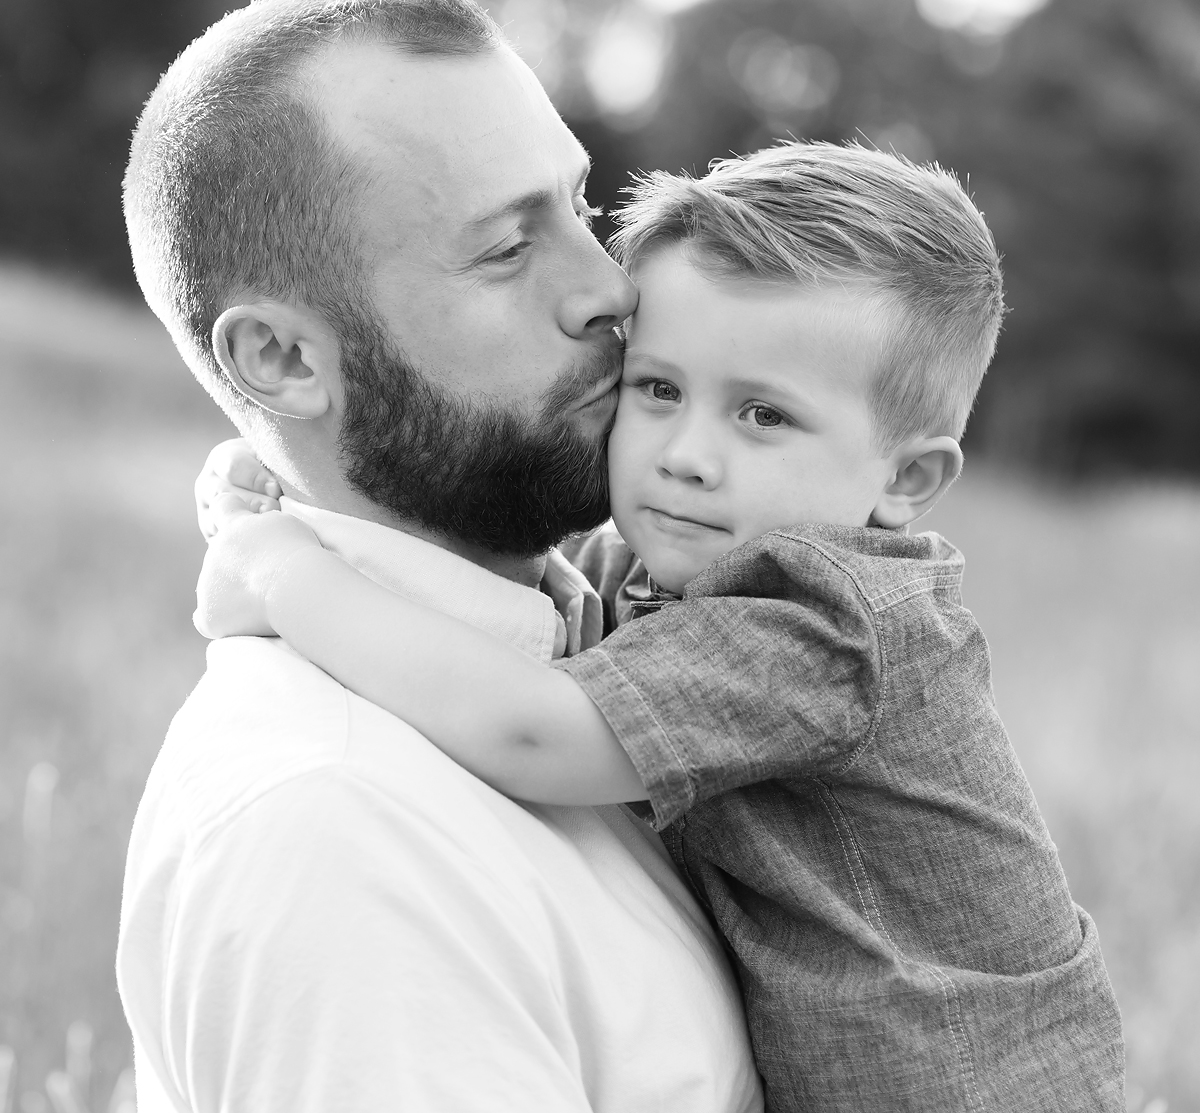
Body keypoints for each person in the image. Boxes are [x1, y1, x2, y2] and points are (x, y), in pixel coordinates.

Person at [196, 143, 1127, 1111]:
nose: (686, 455)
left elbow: (532, 730)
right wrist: (313, 515)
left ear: (906, 482)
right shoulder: (656, 561)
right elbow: (515, 626)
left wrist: (280, 571)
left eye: (763, 415)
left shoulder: (822, 615)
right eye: (659, 388)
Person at [116, 0, 764, 1113]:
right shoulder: (340, 828)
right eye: (508, 250)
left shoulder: (615, 642)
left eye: (579, 205)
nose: (608, 288)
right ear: (280, 360)